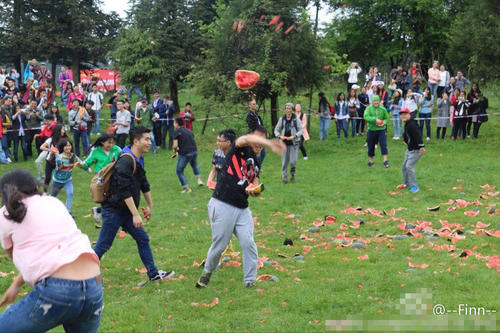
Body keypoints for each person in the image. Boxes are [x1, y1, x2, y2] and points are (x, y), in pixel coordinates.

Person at [0, 169, 103, 332]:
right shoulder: (54, 203)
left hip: (59, 290)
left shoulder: (7, 214)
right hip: (94, 284)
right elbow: (53, 251)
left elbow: (19, 258)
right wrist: (15, 285)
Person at [195, 126, 285, 289]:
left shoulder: (256, 161)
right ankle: (207, 273)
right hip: (222, 203)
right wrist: (270, 143)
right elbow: (245, 139)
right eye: (258, 139)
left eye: (263, 141)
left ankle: (250, 281)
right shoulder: (239, 147)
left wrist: (255, 190)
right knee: (220, 245)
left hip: (242, 208)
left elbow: (254, 180)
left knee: (248, 242)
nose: (260, 144)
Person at [93, 126, 174, 281]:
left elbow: (144, 183)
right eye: (146, 139)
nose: (149, 143)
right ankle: (82, 274)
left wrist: (150, 206)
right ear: (136, 141)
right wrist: (135, 214)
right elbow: (124, 191)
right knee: (103, 245)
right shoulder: (125, 160)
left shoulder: (138, 158)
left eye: (150, 139)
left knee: (142, 239)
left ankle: (153, 274)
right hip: (114, 211)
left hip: (126, 212)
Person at [84, 133, 122, 223]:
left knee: (116, 198)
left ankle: (98, 211)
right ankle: (103, 214)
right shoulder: (96, 151)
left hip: (114, 177)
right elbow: (87, 163)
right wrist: (81, 164)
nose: (111, 145)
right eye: (109, 143)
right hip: (101, 179)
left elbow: (123, 160)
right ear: (102, 142)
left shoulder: (117, 149)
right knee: (104, 198)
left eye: (113, 142)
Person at [50, 139, 84, 212]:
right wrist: (57, 156)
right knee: (52, 197)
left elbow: (82, 163)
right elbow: (60, 167)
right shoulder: (59, 157)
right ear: (62, 147)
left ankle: (67, 212)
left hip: (67, 180)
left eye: (69, 145)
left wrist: (85, 167)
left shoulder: (73, 156)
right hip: (57, 181)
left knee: (70, 193)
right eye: (66, 146)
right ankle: (46, 209)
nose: (68, 147)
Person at [274, 103, 303, 184]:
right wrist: (280, 136)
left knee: (293, 162)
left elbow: (301, 130)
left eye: (290, 108)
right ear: (285, 110)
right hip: (284, 144)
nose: (288, 110)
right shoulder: (282, 119)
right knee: (284, 162)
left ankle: (292, 176)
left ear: (292, 110)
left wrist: (294, 136)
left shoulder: (295, 119)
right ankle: (284, 178)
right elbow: (276, 130)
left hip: (294, 143)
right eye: (286, 108)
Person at [173, 117, 203, 193]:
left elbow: (175, 146)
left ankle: (187, 189)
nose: (173, 124)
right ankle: (199, 180)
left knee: (179, 171)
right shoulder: (189, 130)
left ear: (176, 124)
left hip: (185, 153)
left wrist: (175, 151)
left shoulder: (176, 132)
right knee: (194, 164)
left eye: (174, 123)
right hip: (194, 151)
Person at [400, 108, 426, 193]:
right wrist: (405, 139)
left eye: (405, 114)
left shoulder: (412, 124)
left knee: (409, 166)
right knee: (404, 166)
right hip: (410, 149)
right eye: (401, 114)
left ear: (409, 115)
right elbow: (407, 134)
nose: (403, 116)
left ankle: (415, 186)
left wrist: (421, 147)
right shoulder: (407, 123)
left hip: (416, 150)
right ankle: (406, 183)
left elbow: (418, 135)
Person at [38, 124, 68, 192]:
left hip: (60, 161)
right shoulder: (50, 139)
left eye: (64, 129)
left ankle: (56, 189)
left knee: (60, 177)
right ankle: (45, 191)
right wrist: (51, 150)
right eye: (63, 129)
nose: (64, 131)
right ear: (58, 131)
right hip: (50, 161)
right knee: (48, 177)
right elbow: (41, 147)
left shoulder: (64, 140)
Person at [364, 95, 389, 168]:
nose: (376, 102)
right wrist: (375, 119)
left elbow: (387, 118)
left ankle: (385, 161)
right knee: (371, 145)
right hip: (371, 130)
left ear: (379, 101)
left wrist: (383, 122)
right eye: (374, 101)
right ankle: (371, 161)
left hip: (381, 130)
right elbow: (366, 117)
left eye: (377, 101)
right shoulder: (368, 109)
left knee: (383, 144)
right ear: (372, 101)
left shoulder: (383, 109)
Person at [246, 99, 266, 163]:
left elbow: (261, 124)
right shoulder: (249, 116)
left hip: (261, 136)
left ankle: (257, 165)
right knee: (254, 153)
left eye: (255, 104)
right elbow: (252, 126)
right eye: (253, 104)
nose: (255, 105)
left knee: (263, 153)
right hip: (255, 136)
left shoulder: (256, 114)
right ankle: (255, 165)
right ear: (249, 105)